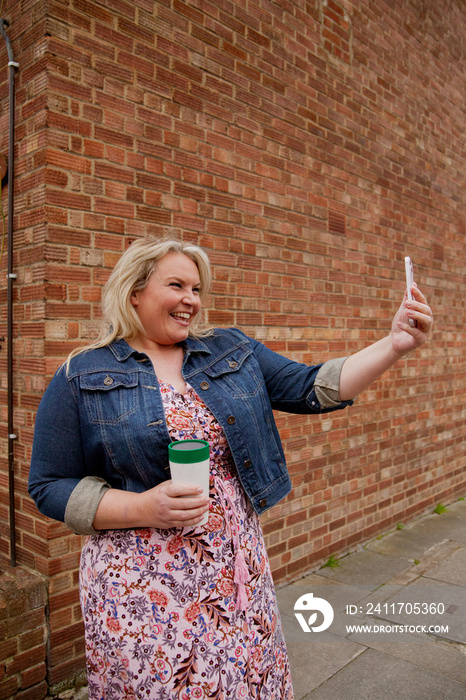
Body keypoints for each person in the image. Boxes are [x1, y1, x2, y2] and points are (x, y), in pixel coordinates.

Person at [29, 236, 433, 699]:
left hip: (236, 569)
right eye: (177, 285)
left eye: (197, 289)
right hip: (142, 584)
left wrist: (395, 343)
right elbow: (49, 484)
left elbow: (311, 387)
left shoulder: (228, 350)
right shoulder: (80, 374)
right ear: (134, 291)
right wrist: (143, 507)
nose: (191, 301)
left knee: (246, 680)